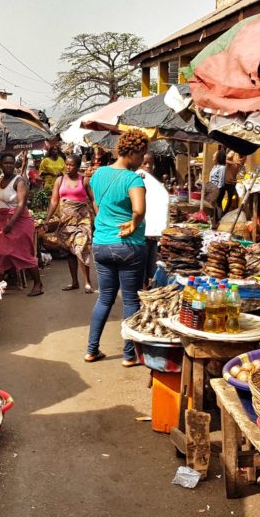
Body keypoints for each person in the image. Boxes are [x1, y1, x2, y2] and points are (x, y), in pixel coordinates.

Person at [85, 130, 148, 366]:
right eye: (141, 154)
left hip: (101, 244)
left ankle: (92, 350)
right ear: (132, 152)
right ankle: (129, 355)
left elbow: (96, 202)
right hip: (128, 246)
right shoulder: (133, 179)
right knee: (131, 301)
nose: (142, 159)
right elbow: (139, 209)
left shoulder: (99, 174)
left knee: (104, 299)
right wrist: (134, 223)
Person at [0, 153, 43, 296]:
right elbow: (1, 202)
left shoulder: (19, 181)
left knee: (23, 254)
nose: (8, 166)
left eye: (11, 163)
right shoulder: (1, 180)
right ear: (1, 165)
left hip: (18, 221)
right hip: (2, 220)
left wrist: (11, 223)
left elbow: (22, 205)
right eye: (5, 163)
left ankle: (38, 284)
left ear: (15, 165)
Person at [43, 154, 94, 292]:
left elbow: (93, 199)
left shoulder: (84, 180)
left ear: (77, 167)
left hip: (82, 220)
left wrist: (99, 216)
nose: (68, 167)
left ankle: (87, 282)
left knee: (81, 247)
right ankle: (74, 282)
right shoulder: (59, 180)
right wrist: (48, 219)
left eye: (71, 165)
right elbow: (54, 201)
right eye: (67, 164)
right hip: (66, 220)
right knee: (71, 251)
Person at [138, 153, 169, 286]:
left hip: (152, 233)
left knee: (150, 266)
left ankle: (145, 288)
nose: (148, 166)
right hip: (142, 232)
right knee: (141, 266)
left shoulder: (151, 180)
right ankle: (141, 293)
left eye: (151, 162)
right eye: (145, 163)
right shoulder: (138, 178)